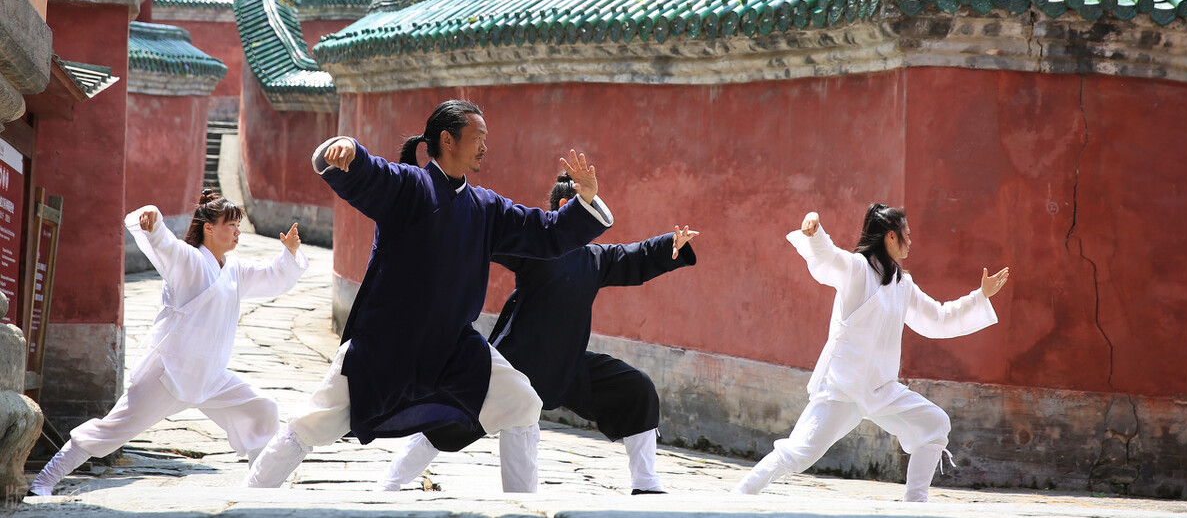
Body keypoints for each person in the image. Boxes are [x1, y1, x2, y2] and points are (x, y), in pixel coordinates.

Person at [246, 100, 614, 492]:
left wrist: (585, 201)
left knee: (523, 402)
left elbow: (546, 233)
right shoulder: (408, 187)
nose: (485, 146)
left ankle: (520, 508)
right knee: (312, 424)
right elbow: (370, 171)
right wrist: (347, 148)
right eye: (478, 138)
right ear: (447, 139)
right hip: (386, 345)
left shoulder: (486, 208)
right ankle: (247, 498)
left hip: (452, 346)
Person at [379, 172, 699, 495]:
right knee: (446, 424)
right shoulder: (537, 247)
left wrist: (669, 246)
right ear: (565, 207)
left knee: (636, 390)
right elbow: (487, 236)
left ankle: (645, 483)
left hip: (567, 369)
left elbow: (636, 257)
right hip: (512, 370)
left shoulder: (595, 259)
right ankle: (390, 484)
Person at [29, 190, 307, 496]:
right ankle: (43, 482)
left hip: (210, 375)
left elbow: (272, 275)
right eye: (231, 225)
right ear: (209, 228)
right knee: (111, 430)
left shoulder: (235, 270)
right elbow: (165, 245)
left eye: (239, 225)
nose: (238, 231)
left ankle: (258, 489)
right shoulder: (189, 261)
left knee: (262, 409)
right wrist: (151, 218)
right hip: (169, 373)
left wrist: (289, 253)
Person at [733, 204, 1010, 502]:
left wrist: (979, 296)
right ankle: (740, 494)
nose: (911, 240)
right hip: (843, 387)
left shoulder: (903, 284)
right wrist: (815, 231)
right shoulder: (856, 269)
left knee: (935, 423)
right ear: (891, 237)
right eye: (907, 234)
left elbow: (938, 319)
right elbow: (829, 257)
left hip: (881, 388)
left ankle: (915, 504)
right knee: (800, 452)